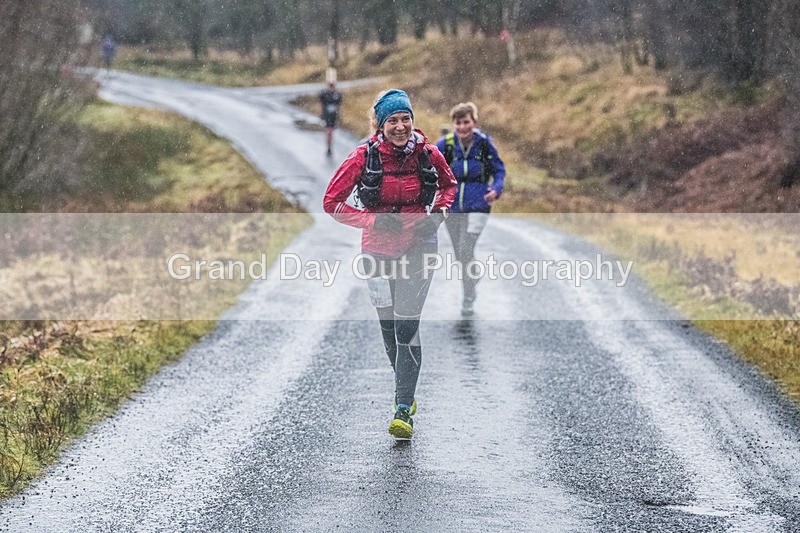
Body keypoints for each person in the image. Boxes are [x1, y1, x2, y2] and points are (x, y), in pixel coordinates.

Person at [324, 89, 457, 439]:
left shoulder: (428, 154)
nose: (400, 127)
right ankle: (405, 390)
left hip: (420, 246)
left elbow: (448, 186)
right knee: (388, 330)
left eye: (405, 119)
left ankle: (403, 409)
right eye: (392, 121)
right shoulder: (362, 157)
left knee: (406, 327)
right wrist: (371, 220)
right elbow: (332, 203)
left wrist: (438, 215)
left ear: (413, 120)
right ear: (380, 126)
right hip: (377, 252)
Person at [436, 102, 506, 317]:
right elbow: (430, 169)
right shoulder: (445, 145)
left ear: (474, 122)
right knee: (460, 254)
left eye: (466, 122)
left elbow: (499, 169)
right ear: (454, 124)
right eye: (458, 123)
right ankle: (472, 275)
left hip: (478, 205)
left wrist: (496, 189)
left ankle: (468, 296)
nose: (462, 127)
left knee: (466, 249)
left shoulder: (484, 145)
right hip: (452, 205)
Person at [319, 81, 342, 157]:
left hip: (334, 116)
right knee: (329, 131)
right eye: (330, 86)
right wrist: (322, 115)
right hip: (327, 116)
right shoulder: (324, 94)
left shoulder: (337, 95)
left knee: (331, 132)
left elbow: (339, 107)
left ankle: (330, 146)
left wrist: (339, 117)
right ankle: (329, 147)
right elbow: (321, 105)